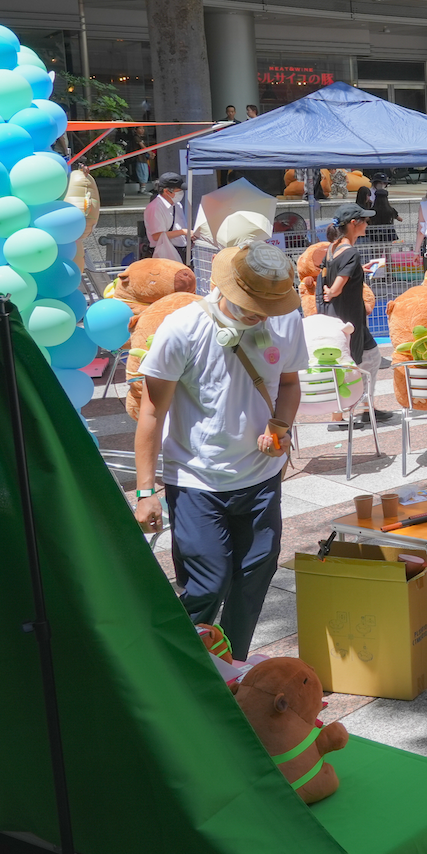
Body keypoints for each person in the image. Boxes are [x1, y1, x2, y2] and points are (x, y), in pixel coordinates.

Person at [133, 243, 305, 660]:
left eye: (269, 307)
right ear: (225, 288)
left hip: (262, 477)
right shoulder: (182, 327)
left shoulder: (286, 320)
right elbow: (152, 412)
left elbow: (288, 384)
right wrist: (145, 491)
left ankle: (232, 665)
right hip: (196, 479)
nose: (263, 315)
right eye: (253, 306)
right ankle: (186, 668)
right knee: (207, 583)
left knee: (253, 578)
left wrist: (279, 426)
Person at [317, 205, 392, 424]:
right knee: (362, 360)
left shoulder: (333, 248)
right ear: (353, 224)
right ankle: (352, 411)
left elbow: (333, 273)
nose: (367, 224)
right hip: (351, 319)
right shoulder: (350, 252)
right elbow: (336, 287)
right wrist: (331, 292)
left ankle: (352, 411)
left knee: (360, 359)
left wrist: (360, 269)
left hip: (337, 316)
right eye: (364, 221)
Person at [143, 172, 190, 263]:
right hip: (165, 253)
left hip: (181, 249)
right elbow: (156, 236)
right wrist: (182, 232)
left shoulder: (177, 205)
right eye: (179, 190)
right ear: (167, 191)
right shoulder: (155, 208)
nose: (181, 193)